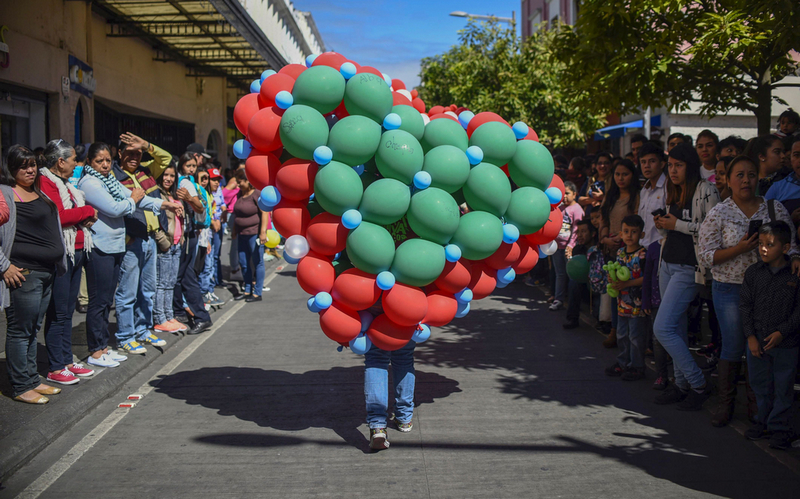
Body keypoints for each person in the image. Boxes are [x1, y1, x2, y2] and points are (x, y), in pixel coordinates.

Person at [698, 154, 799, 427]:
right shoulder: (719, 212)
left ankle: (760, 408)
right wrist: (739, 249)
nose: (746, 180)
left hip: (770, 289)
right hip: (730, 289)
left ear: (759, 178)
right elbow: (706, 256)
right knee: (733, 345)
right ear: (728, 181)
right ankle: (726, 404)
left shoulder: (774, 208)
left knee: (762, 347)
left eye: (751, 174)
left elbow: (792, 245)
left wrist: (796, 258)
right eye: (739, 175)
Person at [652, 142, 720, 410]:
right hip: (667, 263)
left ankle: (699, 384)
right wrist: (664, 226)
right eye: (670, 166)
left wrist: (676, 224)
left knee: (662, 327)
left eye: (678, 165)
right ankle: (681, 386)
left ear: (690, 166)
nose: (673, 171)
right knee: (675, 328)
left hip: (689, 269)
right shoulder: (673, 191)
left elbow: (711, 230)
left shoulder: (707, 190)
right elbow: (673, 231)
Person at [1, 145, 67, 404]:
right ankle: (19, 386)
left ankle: (30, 378)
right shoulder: (5, 194)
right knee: (20, 330)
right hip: (23, 273)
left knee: (32, 329)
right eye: (22, 166)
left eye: (31, 165)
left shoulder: (36, 191)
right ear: (11, 169)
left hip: (46, 271)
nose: (29, 170)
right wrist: (4, 266)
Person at [113, 132, 182, 354]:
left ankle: (143, 330)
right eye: (129, 153)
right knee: (127, 293)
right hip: (131, 240)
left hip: (150, 238)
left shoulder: (145, 171)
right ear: (119, 153)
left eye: (138, 154)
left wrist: (146, 145)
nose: (134, 157)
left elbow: (165, 158)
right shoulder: (113, 176)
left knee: (148, 291)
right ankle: (125, 335)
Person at [39, 139, 98, 385]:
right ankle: (56, 365)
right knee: (59, 312)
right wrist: (86, 212)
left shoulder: (64, 183)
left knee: (68, 311)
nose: (76, 163)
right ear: (60, 161)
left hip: (77, 251)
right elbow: (60, 216)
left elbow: (77, 210)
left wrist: (85, 213)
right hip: (62, 253)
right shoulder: (45, 182)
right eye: (73, 159)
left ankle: (66, 359)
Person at [79, 143, 140, 368]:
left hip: (114, 246)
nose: (105, 165)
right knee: (98, 301)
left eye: (107, 160)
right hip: (99, 248)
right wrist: (132, 200)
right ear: (89, 162)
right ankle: (95, 351)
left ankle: (104, 346)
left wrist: (161, 204)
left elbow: (132, 198)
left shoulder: (110, 180)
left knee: (107, 301)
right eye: (99, 161)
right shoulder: (91, 182)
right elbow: (115, 208)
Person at [740, 221, 800, 450]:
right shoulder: (753, 273)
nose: (763, 249)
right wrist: (750, 337)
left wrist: (782, 332)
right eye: (761, 244)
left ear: (785, 248)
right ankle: (761, 421)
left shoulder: (795, 274)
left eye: (770, 245)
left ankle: (780, 428)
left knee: (783, 387)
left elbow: (798, 311)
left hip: (787, 343)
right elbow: (745, 306)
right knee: (760, 385)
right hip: (757, 341)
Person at [599, 158, 641, 348]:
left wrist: (623, 238)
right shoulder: (610, 196)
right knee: (614, 291)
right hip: (611, 251)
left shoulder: (637, 197)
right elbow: (603, 221)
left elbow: (639, 224)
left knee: (629, 293)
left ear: (632, 175)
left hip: (631, 253)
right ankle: (615, 331)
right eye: (617, 174)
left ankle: (632, 336)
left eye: (625, 174)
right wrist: (605, 238)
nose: (621, 178)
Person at [173, 153, 213, 334]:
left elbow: (199, 207)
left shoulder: (186, 183)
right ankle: (186, 313)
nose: (191, 169)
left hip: (187, 235)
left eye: (193, 166)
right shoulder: (184, 180)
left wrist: (189, 198)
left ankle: (194, 315)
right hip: (188, 234)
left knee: (182, 277)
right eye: (188, 165)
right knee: (184, 277)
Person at [604, 215, 648, 381]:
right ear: (620, 234)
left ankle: (637, 366)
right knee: (622, 334)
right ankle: (622, 363)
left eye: (634, 232)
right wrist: (612, 278)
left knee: (635, 336)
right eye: (626, 231)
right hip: (622, 302)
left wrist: (628, 284)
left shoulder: (643, 254)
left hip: (637, 303)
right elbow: (616, 271)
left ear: (642, 234)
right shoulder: (620, 252)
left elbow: (646, 277)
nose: (629, 235)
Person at [365, 336, 417, 451]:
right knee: (404, 356)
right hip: (406, 319)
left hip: (376, 318)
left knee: (376, 359)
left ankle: (378, 427)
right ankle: (404, 418)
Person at [153, 164, 187, 334]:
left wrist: (180, 239)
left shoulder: (172, 194)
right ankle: (160, 318)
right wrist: (163, 242)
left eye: (172, 176)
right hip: (166, 245)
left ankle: (169, 315)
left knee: (171, 283)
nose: (168, 179)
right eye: (165, 175)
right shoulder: (157, 194)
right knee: (162, 283)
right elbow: (155, 222)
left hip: (176, 245)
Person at [232, 168, 268, 302]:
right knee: (243, 262)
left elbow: (264, 213)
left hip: (254, 234)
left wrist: (262, 233)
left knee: (257, 262)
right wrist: (235, 229)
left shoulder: (256, 194)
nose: (238, 184)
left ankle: (257, 292)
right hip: (242, 234)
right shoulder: (239, 195)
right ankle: (247, 289)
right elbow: (237, 214)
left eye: (240, 182)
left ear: (248, 181)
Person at [550, 181, 583, 311]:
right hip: (557, 247)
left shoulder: (577, 209)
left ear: (574, 194)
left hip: (570, 249)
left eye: (568, 193)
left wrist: (571, 246)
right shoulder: (560, 207)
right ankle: (558, 299)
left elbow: (576, 229)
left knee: (571, 275)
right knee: (560, 274)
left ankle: (572, 302)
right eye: (563, 194)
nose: (565, 197)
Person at [563, 219, 596, 329]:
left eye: (584, 231)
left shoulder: (598, 249)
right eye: (578, 232)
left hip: (597, 283)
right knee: (573, 283)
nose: (580, 235)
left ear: (593, 233)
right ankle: (572, 318)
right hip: (584, 284)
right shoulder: (578, 249)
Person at [637, 142, 667, 249]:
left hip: (660, 248)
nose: (646, 166)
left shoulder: (668, 188)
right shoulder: (644, 190)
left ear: (662, 164)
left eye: (652, 161)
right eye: (643, 162)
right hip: (642, 248)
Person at [765, 135, 800, 215]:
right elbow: (765, 222)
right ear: (790, 158)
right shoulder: (777, 188)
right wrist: (789, 220)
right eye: (796, 155)